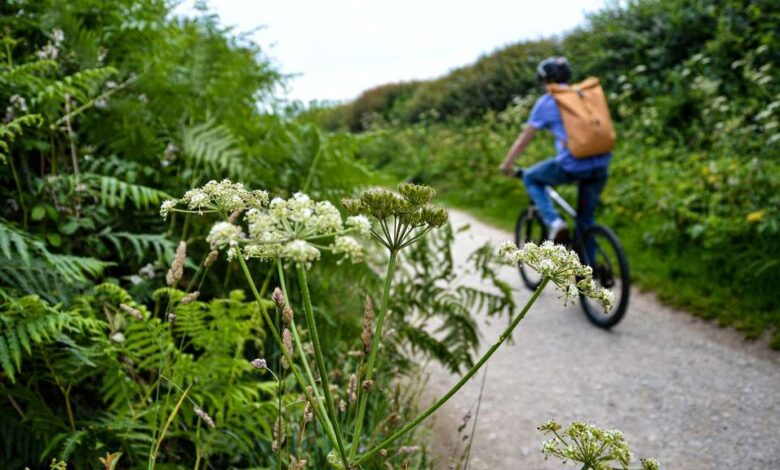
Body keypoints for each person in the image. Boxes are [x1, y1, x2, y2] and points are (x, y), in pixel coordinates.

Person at [499, 56, 611, 243]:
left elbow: (525, 138)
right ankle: (588, 268)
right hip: (602, 163)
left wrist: (507, 163)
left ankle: (554, 222)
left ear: (544, 80)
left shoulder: (548, 102)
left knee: (531, 177)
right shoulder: (583, 95)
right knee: (585, 221)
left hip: (573, 165)